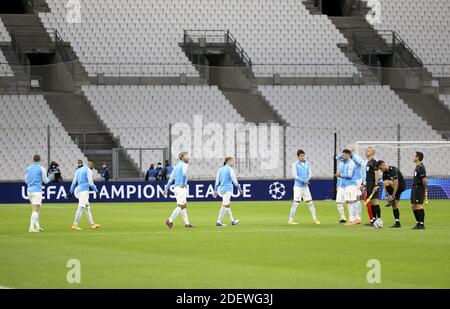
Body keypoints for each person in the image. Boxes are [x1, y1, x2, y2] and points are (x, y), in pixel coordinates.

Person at [289, 149, 320, 225]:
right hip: (298, 187)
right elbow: (295, 176)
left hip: (305, 187)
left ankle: (315, 219)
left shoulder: (307, 163)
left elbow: (310, 174)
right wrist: (304, 181)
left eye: (303, 155)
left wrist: (307, 179)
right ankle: (290, 220)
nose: (302, 157)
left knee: (310, 202)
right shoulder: (295, 164)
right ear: (298, 156)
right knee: (296, 202)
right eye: (301, 156)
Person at [163, 152, 193, 228]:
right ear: (182, 157)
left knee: (183, 206)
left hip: (176, 188)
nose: (188, 157)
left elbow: (170, 179)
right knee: (181, 206)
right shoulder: (184, 165)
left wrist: (166, 189)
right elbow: (184, 174)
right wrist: (183, 183)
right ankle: (169, 220)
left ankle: (187, 223)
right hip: (181, 188)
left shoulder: (176, 166)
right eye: (186, 156)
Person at [69, 160, 101, 231]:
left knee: (87, 207)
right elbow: (90, 182)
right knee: (81, 207)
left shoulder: (78, 170)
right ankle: (75, 224)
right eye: (93, 165)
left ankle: (92, 224)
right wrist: (96, 191)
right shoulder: (88, 171)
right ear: (91, 164)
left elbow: (74, 182)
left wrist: (70, 191)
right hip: (84, 191)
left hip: (78, 190)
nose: (93, 167)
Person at [25, 154, 53, 232]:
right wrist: (50, 176)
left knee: (36, 209)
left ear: (32, 159)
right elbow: (46, 181)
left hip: (29, 190)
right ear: (40, 160)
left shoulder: (28, 168)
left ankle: (37, 226)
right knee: (35, 209)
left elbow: (26, 181)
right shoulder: (41, 169)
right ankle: (31, 228)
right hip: (37, 191)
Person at [336, 146, 363, 224]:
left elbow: (349, 175)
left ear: (348, 155)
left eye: (344, 155)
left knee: (351, 201)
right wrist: (344, 153)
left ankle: (352, 220)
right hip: (348, 185)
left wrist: (340, 175)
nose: (342, 156)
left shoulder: (351, 163)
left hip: (352, 184)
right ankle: (355, 219)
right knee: (351, 201)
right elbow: (337, 157)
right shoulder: (346, 162)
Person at [214, 156, 241, 227]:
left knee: (227, 205)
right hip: (227, 190)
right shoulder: (230, 169)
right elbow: (235, 181)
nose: (234, 162)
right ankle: (218, 221)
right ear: (228, 161)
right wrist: (239, 189)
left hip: (222, 189)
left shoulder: (220, 169)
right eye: (232, 161)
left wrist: (215, 190)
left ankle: (233, 221)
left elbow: (217, 181)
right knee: (225, 205)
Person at [377, 160, 406, 228]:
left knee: (387, 182)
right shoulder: (384, 174)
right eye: (379, 169)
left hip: (400, 186)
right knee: (394, 205)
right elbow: (384, 186)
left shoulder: (393, 170)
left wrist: (393, 195)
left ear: (384, 165)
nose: (381, 170)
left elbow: (396, 184)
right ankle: (397, 222)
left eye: (381, 168)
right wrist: (386, 196)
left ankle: (392, 199)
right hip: (394, 188)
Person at [363, 147, 381, 225]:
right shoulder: (368, 162)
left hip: (373, 184)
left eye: (368, 150)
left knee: (375, 201)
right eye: (366, 150)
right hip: (369, 184)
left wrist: (376, 185)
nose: (366, 151)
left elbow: (376, 174)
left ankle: (379, 219)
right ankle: (373, 219)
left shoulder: (374, 162)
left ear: (373, 152)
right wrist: (365, 185)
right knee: (371, 203)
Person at [411, 152, 427, 229]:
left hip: (419, 188)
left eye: (414, 156)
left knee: (419, 205)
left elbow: (424, 180)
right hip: (414, 188)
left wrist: (424, 188)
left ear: (418, 158)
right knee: (413, 206)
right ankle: (418, 223)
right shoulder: (417, 167)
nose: (412, 157)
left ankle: (421, 224)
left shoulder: (421, 167)